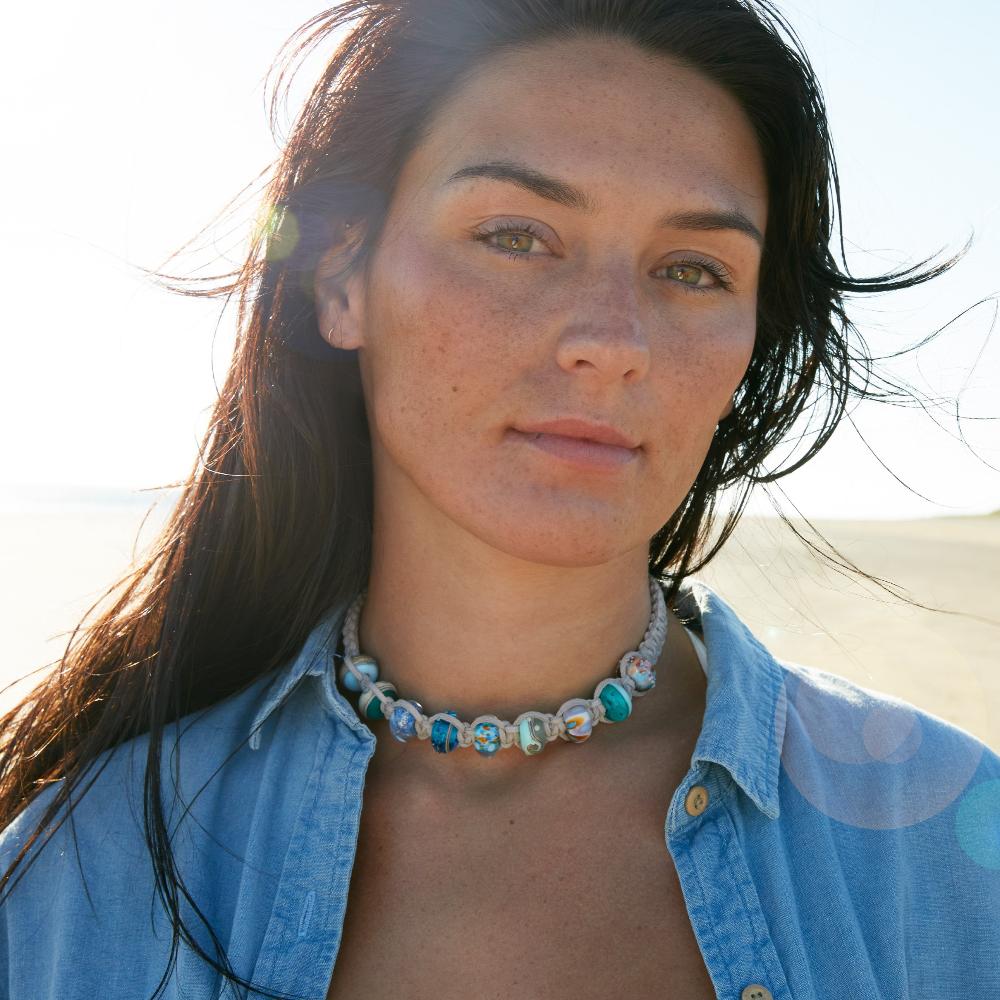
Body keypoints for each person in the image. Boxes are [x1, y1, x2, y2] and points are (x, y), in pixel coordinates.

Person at [1, 1, 998, 998]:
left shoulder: (952, 842)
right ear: (341, 279)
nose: (613, 340)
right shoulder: (76, 874)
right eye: (517, 236)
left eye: (692, 269)